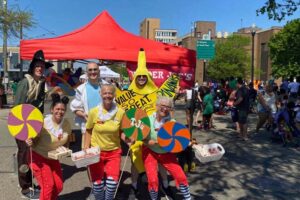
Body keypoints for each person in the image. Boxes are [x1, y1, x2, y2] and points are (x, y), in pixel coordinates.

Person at [142, 96, 192, 200]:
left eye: (168, 107)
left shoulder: (172, 122)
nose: (165, 108)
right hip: (149, 151)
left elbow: (179, 140)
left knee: (180, 176)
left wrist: (186, 143)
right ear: (156, 106)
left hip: (166, 152)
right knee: (153, 180)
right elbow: (141, 137)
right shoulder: (147, 119)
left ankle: (187, 198)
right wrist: (147, 142)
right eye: (162, 105)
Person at [84, 84, 127, 200]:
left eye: (110, 93)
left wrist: (127, 140)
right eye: (105, 93)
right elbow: (88, 130)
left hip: (114, 152)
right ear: (100, 94)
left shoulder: (120, 112)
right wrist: (85, 147)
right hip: (96, 152)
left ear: (114, 95)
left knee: (112, 184)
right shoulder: (94, 112)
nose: (107, 95)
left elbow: (122, 131)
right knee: (97, 185)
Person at [25, 93, 71, 200]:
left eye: (62, 110)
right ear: (51, 109)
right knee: (48, 186)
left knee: (58, 186)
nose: (60, 112)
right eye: (57, 109)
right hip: (38, 158)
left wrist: (66, 150)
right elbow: (33, 139)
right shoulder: (43, 123)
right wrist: (30, 141)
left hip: (53, 158)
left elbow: (67, 140)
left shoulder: (66, 124)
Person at [14, 49, 46, 199]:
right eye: (37, 66)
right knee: (24, 156)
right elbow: (17, 110)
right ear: (32, 67)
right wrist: (23, 132)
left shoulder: (40, 83)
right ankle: (25, 188)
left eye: (42, 66)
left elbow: (39, 107)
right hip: (22, 125)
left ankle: (30, 183)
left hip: (33, 125)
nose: (40, 68)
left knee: (31, 155)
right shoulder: (25, 82)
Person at [70, 62, 102, 149]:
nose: (93, 72)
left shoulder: (105, 86)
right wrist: (84, 115)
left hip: (104, 128)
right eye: (90, 70)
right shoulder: (81, 89)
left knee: (103, 155)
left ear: (99, 71)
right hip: (88, 128)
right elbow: (75, 108)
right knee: (88, 156)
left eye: (95, 69)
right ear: (87, 73)